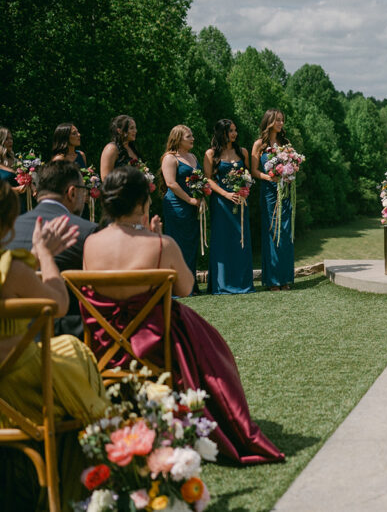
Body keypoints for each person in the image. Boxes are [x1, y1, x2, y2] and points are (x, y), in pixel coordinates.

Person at [80, 166, 284, 464]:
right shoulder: (162, 245)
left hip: (104, 349)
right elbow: (186, 288)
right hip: (153, 348)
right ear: (141, 203)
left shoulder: (90, 243)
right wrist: (157, 243)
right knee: (203, 335)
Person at [0, 181, 109, 509]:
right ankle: (85, 469)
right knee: (72, 349)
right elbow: (58, 304)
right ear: (8, 223)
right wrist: (46, 256)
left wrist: (32, 259)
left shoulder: (16, 270)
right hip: (18, 389)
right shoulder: (12, 270)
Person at [7, 161, 98, 337]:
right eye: (83, 191)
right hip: (62, 339)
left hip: (10, 342)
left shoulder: (9, 229)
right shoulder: (87, 232)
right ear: (72, 192)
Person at [205, 119, 254, 295]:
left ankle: (242, 283)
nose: (234, 134)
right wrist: (225, 194)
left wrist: (245, 188)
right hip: (220, 203)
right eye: (230, 131)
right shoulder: (210, 154)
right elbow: (208, 179)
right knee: (222, 241)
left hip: (240, 202)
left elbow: (248, 175)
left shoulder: (242, 152)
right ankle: (222, 284)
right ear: (221, 133)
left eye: (235, 130)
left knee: (240, 240)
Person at [252, 109, 293, 291]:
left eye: (282, 120)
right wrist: (269, 177)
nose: (281, 123)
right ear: (269, 121)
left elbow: (292, 165)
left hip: (285, 192)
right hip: (269, 192)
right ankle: (272, 279)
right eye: (277, 120)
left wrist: (291, 171)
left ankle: (285, 278)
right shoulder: (259, 144)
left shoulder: (286, 143)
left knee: (284, 234)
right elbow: (253, 171)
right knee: (272, 233)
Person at [161, 125, 203, 285]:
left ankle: (189, 283)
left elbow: (199, 180)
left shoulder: (192, 157)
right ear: (178, 138)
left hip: (192, 206)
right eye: (188, 136)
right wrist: (190, 199)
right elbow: (171, 183)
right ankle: (177, 284)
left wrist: (200, 196)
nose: (192, 138)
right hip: (176, 205)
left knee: (191, 242)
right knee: (178, 242)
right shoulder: (170, 158)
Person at [0, 126, 32, 213]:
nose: (10, 141)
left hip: (19, 204)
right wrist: (16, 190)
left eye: (11, 138)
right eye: (7, 139)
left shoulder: (16, 161)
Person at [99, 114, 140, 180]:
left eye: (135, 128)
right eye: (132, 128)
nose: (135, 131)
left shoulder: (132, 148)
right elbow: (105, 178)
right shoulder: (111, 149)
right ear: (120, 131)